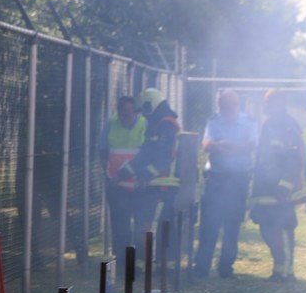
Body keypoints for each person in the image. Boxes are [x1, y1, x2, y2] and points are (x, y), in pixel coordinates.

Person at [193, 89, 256, 279]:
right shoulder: (214, 121)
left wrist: (230, 148)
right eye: (222, 105)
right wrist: (217, 146)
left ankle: (225, 267)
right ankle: (202, 267)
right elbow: (205, 144)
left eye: (229, 105)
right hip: (217, 179)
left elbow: (252, 144)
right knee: (209, 224)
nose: (225, 109)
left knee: (232, 225)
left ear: (236, 105)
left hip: (238, 180)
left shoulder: (249, 122)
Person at [248, 90, 306, 281]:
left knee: (282, 228)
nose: (265, 105)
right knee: (267, 229)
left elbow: (296, 159)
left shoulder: (288, 126)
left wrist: (285, 186)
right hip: (265, 187)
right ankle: (278, 267)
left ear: (280, 102)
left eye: (269, 101)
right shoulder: (270, 124)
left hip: (281, 191)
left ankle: (286, 272)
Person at [116, 88, 180, 260]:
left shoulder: (166, 124)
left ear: (150, 104)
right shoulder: (157, 124)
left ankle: (157, 267)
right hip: (155, 185)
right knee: (147, 224)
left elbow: (163, 159)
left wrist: (145, 176)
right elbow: (145, 154)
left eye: (144, 110)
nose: (143, 115)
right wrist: (124, 172)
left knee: (154, 226)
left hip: (163, 186)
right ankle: (147, 265)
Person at [97, 95, 147, 264]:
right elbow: (103, 151)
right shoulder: (111, 123)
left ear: (135, 111)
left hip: (139, 185)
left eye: (129, 111)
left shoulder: (144, 125)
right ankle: (122, 262)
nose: (126, 115)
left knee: (141, 225)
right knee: (120, 226)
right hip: (116, 184)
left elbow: (148, 153)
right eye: (123, 112)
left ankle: (140, 262)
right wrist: (108, 173)